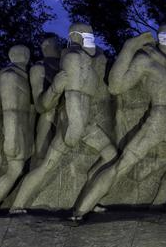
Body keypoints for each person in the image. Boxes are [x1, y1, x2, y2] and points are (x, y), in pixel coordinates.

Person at [71, 25, 166, 220]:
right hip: (156, 123)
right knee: (121, 166)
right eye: (163, 33)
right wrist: (129, 48)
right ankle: (80, 211)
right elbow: (115, 86)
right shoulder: (146, 59)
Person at [10, 23, 116, 214]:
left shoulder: (87, 60)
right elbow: (69, 95)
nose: (91, 39)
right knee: (46, 167)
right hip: (72, 122)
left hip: (85, 122)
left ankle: (89, 199)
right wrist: (73, 124)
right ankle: (16, 205)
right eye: (87, 35)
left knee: (111, 156)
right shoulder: (70, 58)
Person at [0, 45, 33, 212]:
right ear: (25, 56)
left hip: (19, 129)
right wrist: (11, 139)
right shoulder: (10, 76)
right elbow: (9, 110)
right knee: (14, 170)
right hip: (13, 130)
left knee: (15, 170)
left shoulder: (18, 75)